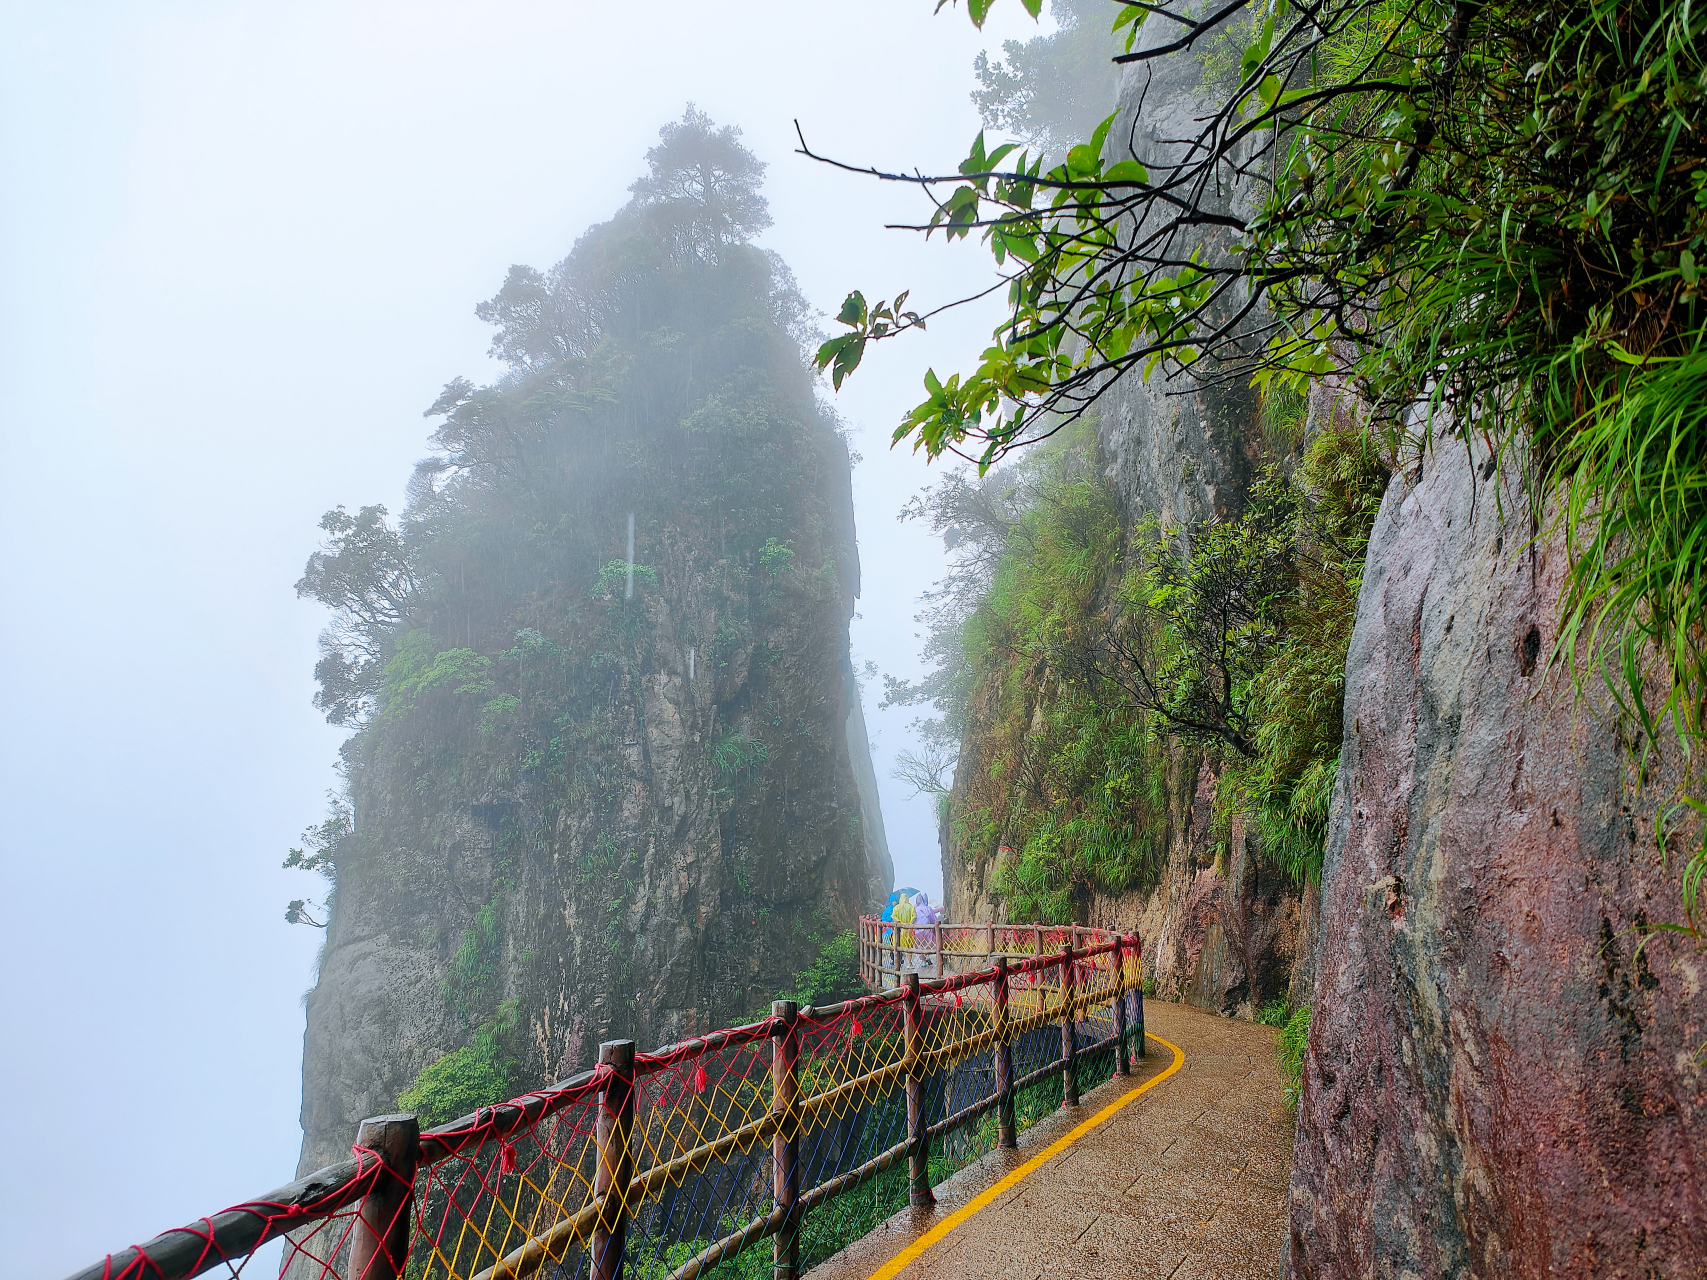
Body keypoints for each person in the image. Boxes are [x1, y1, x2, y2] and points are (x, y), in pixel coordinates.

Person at [913, 892, 939, 967]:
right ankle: (927, 956)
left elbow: (913, 919)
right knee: (927, 944)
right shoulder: (927, 908)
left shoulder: (915, 909)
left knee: (920, 946)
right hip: (927, 929)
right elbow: (933, 919)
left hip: (918, 931)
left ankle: (923, 961)